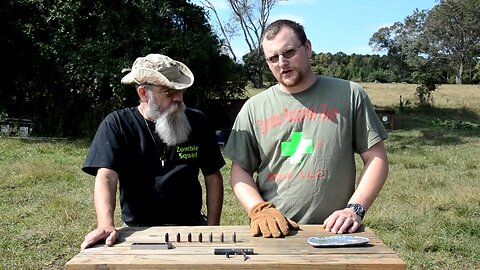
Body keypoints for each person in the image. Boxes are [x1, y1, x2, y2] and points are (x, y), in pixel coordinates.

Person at [224, 19, 389, 238]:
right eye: (273, 58)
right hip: (274, 232)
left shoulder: (349, 95)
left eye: (289, 52)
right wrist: (259, 210)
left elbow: (376, 158)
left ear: (308, 48)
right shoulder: (254, 108)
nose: (282, 63)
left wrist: (355, 209)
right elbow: (239, 170)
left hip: (335, 231)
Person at [80, 53, 225, 250]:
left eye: (180, 90)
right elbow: (106, 177)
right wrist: (105, 224)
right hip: (138, 230)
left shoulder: (197, 122)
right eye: (168, 91)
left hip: (191, 226)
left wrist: (212, 228)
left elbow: (213, 176)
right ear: (143, 93)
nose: (178, 97)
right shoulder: (117, 124)